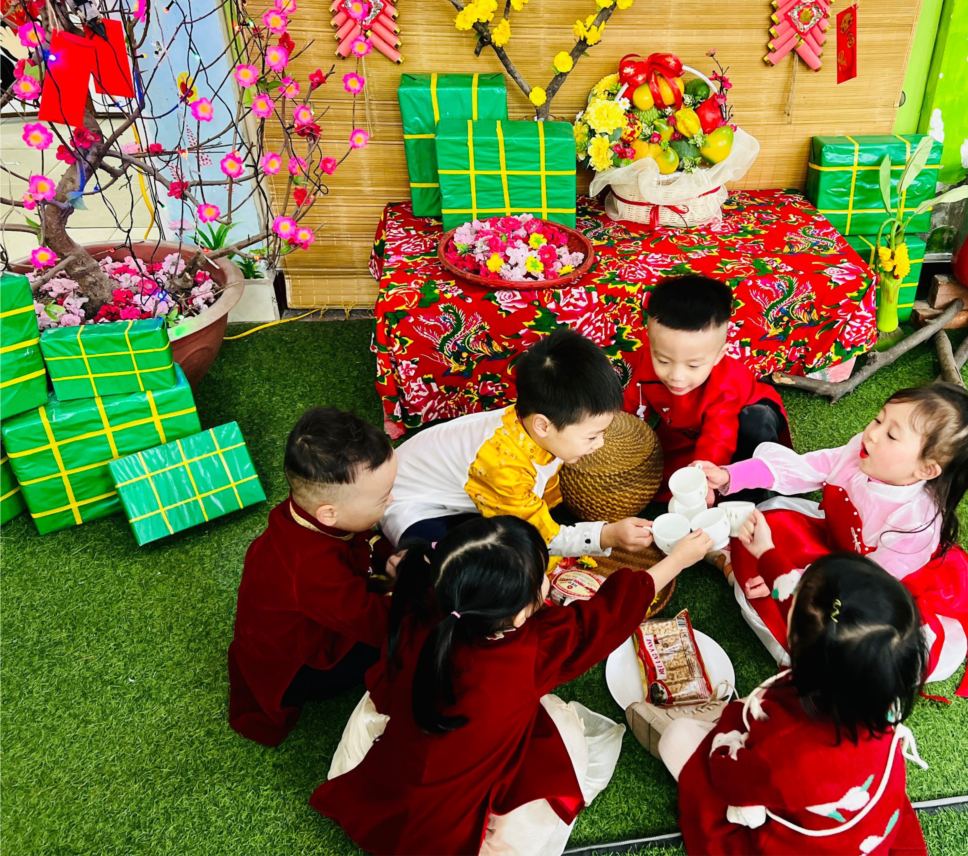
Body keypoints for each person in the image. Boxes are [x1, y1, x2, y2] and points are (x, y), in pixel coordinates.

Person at [310, 515, 714, 856]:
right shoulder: (533, 650)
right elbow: (606, 615)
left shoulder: (422, 606)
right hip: (453, 830)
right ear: (520, 615)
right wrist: (678, 559)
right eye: (542, 577)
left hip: (389, 791)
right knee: (559, 729)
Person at [695, 383, 968, 697]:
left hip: (872, 590)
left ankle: (796, 646)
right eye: (878, 419)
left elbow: (867, 582)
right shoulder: (860, 451)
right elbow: (806, 468)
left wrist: (794, 578)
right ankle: (747, 569)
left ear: (926, 469)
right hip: (836, 548)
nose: (872, 434)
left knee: (833, 641)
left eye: (892, 435)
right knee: (766, 522)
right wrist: (730, 476)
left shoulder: (914, 524)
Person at [630, 552, 931, 856]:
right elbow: (819, 624)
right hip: (855, 828)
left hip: (782, 828)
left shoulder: (792, 748)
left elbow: (729, 781)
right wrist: (767, 555)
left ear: (801, 645)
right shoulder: (873, 690)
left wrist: (732, 720)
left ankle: (708, 723)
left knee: (677, 738)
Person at [382, 328, 653, 561]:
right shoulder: (502, 465)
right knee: (485, 562)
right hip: (410, 509)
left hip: (457, 500)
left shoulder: (534, 426)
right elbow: (537, 538)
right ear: (543, 426)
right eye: (592, 437)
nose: (600, 444)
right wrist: (606, 535)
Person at [228, 407, 401, 746]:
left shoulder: (303, 513)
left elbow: (361, 539)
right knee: (407, 633)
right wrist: (403, 590)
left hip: (308, 621)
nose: (391, 499)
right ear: (329, 513)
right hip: (302, 669)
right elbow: (377, 623)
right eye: (383, 497)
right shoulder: (312, 571)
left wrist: (384, 553)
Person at [621, 273, 787, 501]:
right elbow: (630, 409)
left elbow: (720, 435)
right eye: (663, 361)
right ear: (649, 341)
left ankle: (762, 490)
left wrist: (704, 478)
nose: (676, 376)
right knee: (658, 475)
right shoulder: (644, 361)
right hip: (689, 428)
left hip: (747, 414)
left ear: (719, 355)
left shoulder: (726, 383)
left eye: (693, 365)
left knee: (751, 434)